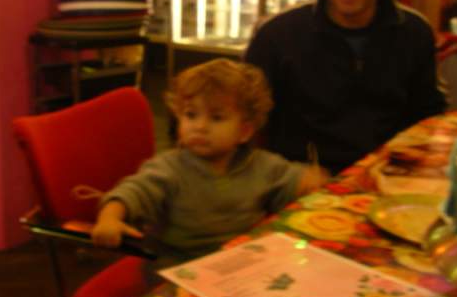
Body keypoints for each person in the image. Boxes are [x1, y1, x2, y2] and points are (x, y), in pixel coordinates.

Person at [244, 0, 447, 175]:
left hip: (389, 179)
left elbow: (429, 117)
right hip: (300, 184)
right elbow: (245, 123)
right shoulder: (276, 35)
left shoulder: (415, 31)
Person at [91, 59, 327, 275]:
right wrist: (110, 218)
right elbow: (133, 191)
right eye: (191, 115)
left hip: (242, 262)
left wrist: (307, 181)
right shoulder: (168, 169)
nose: (200, 126)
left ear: (244, 131)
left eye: (216, 118)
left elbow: (290, 178)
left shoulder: (261, 165)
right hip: (178, 268)